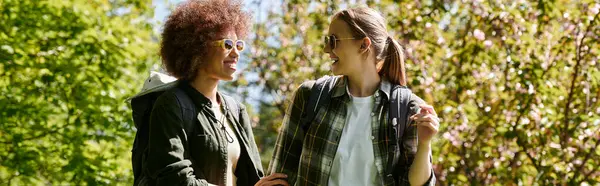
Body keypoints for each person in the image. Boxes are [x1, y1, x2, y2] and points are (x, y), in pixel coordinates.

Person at [268, 6, 439, 186]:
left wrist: (425, 144)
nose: (327, 49)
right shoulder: (310, 96)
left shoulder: (408, 108)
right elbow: (279, 177)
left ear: (364, 45)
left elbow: (416, 184)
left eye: (334, 40)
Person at [143, 0, 287, 185]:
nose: (236, 53)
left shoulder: (237, 110)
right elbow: (173, 178)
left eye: (239, 45)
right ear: (197, 47)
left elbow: (252, 177)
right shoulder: (171, 104)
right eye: (227, 44)